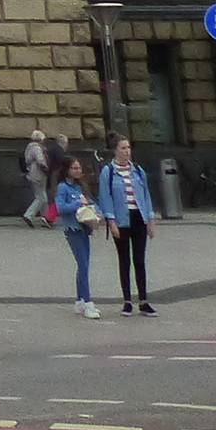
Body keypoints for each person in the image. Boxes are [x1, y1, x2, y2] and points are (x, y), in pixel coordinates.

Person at [98, 134, 159, 316]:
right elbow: (105, 197)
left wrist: (150, 219)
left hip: (138, 217)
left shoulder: (138, 170)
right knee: (124, 260)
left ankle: (143, 300)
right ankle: (127, 301)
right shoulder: (108, 172)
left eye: (128, 148)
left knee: (139, 260)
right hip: (121, 219)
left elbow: (146, 195)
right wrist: (111, 221)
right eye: (123, 148)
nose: (126, 152)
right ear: (115, 150)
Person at [55, 155, 101, 319]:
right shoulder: (63, 187)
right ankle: (88, 302)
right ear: (67, 170)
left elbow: (92, 202)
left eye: (79, 168)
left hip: (84, 228)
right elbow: (60, 208)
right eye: (74, 168)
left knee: (84, 265)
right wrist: (77, 204)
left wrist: (96, 210)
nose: (78, 171)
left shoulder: (81, 186)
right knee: (83, 266)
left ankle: (80, 300)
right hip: (73, 230)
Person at [20, 129, 53, 227]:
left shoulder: (29, 147)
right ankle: (29, 215)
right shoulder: (37, 148)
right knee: (41, 198)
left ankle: (46, 218)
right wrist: (46, 168)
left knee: (43, 197)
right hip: (38, 175)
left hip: (32, 174)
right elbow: (40, 160)